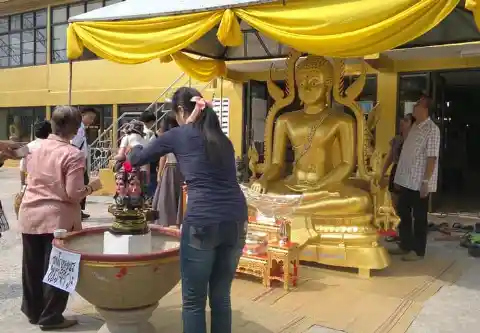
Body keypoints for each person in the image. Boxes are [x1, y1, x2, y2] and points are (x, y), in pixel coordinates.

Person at [128, 87, 247, 333]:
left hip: (203, 221)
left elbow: (138, 158)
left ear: (181, 111)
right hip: (236, 219)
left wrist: (134, 142)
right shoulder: (223, 140)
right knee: (221, 297)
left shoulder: (179, 134)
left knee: (193, 301)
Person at [18, 106, 102, 330]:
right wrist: (92, 186)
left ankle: (33, 311)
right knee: (59, 268)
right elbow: (73, 193)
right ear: (75, 129)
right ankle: (51, 316)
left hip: (30, 214)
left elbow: (23, 168)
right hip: (59, 219)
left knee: (32, 266)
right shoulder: (73, 154)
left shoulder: (33, 147)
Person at [392, 94, 441, 261]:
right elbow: (406, 154)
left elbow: (431, 158)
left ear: (425, 109)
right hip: (406, 180)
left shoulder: (432, 130)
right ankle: (405, 244)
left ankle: (418, 251)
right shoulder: (414, 127)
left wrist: (426, 182)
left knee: (419, 216)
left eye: (418, 105)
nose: (414, 107)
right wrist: (398, 179)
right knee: (402, 211)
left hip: (419, 182)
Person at [151, 111, 183, 227]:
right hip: (181, 169)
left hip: (170, 169)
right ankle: (179, 221)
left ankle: (167, 220)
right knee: (180, 197)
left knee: (166, 198)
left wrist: (159, 172)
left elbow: (163, 156)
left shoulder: (166, 137)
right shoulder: (182, 134)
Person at [380, 113, 416, 208]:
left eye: (406, 120)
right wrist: (381, 173)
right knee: (395, 202)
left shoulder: (416, 141)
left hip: (410, 173)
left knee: (407, 204)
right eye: (402, 119)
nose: (402, 122)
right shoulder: (397, 139)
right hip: (396, 170)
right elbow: (389, 158)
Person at [71, 107, 97, 220]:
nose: (91, 121)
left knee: (83, 183)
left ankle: (79, 210)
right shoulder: (79, 128)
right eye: (90, 117)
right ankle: (77, 210)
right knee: (81, 185)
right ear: (82, 115)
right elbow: (75, 146)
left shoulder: (81, 127)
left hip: (81, 160)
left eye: (93, 119)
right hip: (78, 161)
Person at [20, 120, 52, 187]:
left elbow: (22, 168)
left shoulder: (28, 146)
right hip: (50, 186)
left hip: (32, 185)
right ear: (50, 132)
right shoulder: (54, 147)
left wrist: (23, 184)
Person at [139, 110, 158, 197]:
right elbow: (149, 148)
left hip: (138, 163)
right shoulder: (149, 133)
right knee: (150, 184)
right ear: (150, 121)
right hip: (149, 164)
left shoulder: (135, 131)